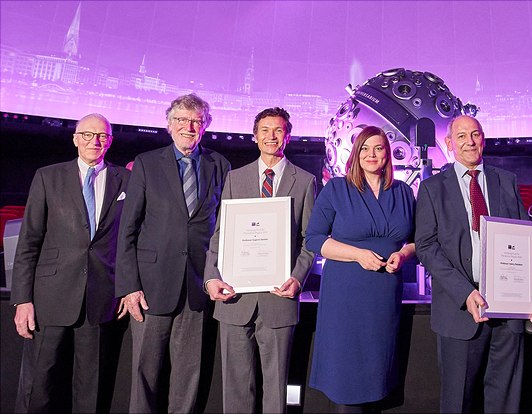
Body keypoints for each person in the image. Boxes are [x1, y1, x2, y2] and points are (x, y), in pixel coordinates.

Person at [414, 115, 532, 413]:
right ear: (449, 143)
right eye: (462, 136)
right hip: (460, 309)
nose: (470, 141)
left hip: (510, 308)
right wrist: (464, 292)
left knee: (507, 400)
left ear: (483, 138)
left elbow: (527, 239)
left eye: (476, 134)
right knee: (458, 402)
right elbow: (427, 247)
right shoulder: (432, 188)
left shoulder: (505, 180)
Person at [115, 94, 231, 413]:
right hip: (150, 287)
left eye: (195, 121)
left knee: (188, 376)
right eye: (181, 120)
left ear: (205, 126)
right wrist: (129, 286)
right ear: (169, 125)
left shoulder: (219, 165)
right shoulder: (147, 163)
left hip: (198, 285)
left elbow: (226, 227)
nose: (188, 126)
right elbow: (128, 229)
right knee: (144, 374)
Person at [11, 113, 130, 412]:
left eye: (102, 136)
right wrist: (22, 300)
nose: (95, 141)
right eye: (87, 135)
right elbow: (28, 242)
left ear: (110, 141)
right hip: (50, 298)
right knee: (42, 385)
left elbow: (133, 241)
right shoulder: (48, 177)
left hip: (101, 300)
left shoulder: (126, 180)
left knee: (92, 391)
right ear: (75, 139)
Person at [203, 107, 315, 413]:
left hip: (280, 298)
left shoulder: (305, 181)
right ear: (255, 137)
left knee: (276, 391)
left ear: (287, 136)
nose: (271, 136)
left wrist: (298, 277)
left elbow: (310, 240)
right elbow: (220, 235)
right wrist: (211, 277)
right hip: (234, 298)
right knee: (236, 390)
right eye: (265, 130)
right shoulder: (234, 179)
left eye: (278, 130)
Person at [305, 126, 416, 412]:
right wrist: (357, 255)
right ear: (355, 154)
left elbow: (418, 240)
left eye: (378, 148)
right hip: (346, 296)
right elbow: (314, 239)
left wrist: (403, 254)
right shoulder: (337, 189)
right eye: (365, 148)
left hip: (384, 295)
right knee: (346, 380)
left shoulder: (403, 191)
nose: (371, 154)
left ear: (387, 154)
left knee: (379, 375)